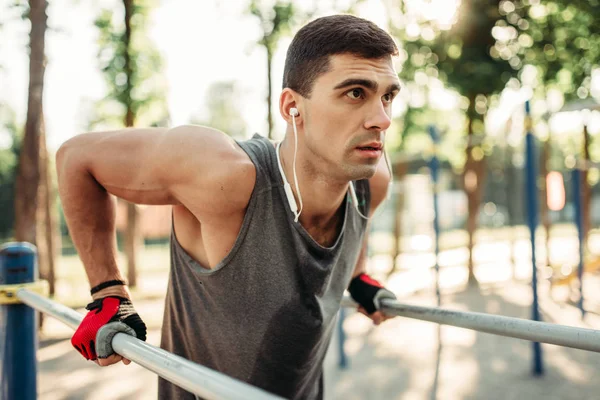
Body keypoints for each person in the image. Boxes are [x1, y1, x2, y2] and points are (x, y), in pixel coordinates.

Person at [57, 14, 401, 400]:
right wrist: (108, 293)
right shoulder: (225, 175)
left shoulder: (372, 182)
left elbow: (357, 229)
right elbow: (75, 157)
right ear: (292, 106)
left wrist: (358, 274)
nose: (382, 119)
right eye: (356, 93)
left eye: (388, 96)